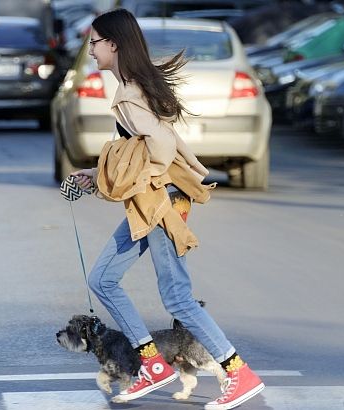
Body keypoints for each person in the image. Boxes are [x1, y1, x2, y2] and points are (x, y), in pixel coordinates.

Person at [71, 8, 264, 410]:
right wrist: (98, 172)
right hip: (158, 196)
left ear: (114, 43)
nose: (90, 50)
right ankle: (153, 364)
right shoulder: (133, 86)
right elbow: (146, 145)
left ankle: (238, 373)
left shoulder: (129, 91)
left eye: (94, 43)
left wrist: (147, 181)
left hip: (161, 198)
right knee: (103, 279)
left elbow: (158, 147)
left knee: (176, 297)